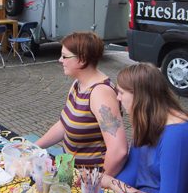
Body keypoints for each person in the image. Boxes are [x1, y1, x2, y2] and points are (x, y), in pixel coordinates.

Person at [101, 63, 188, 193]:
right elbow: (132, 172)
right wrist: (101, 182)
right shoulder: (146, 122)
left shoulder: (178, 137)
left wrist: (111, 182)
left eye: (121, 92)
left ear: (139, 96)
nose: (117, 98)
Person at [35, 32, 127, 175]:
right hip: (68, 168)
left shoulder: (100, 94)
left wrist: (99, 183)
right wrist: (33, 147)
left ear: (82, 59)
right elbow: (64, 124)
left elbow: (119, 150)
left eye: (65, 56)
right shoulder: (78, 84)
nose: (60, 60)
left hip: (87, 180)